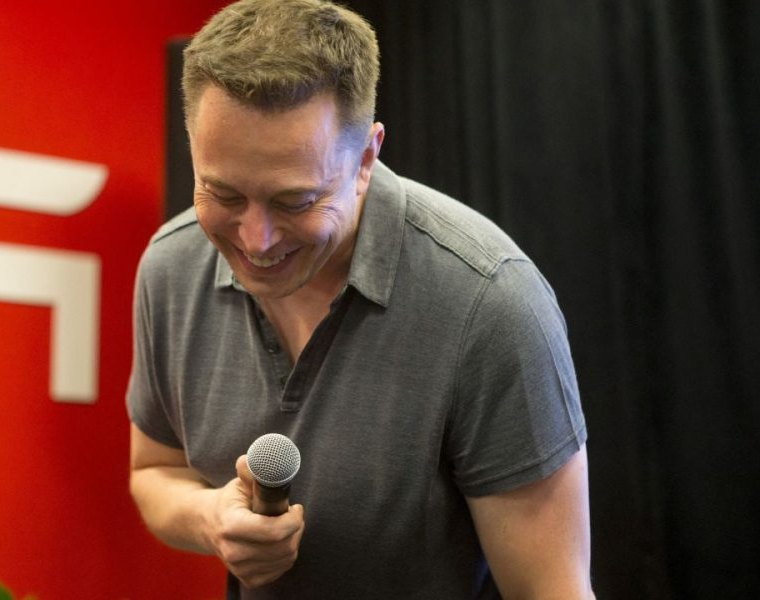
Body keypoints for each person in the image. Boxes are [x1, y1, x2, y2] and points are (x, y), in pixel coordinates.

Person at [126, 0, 594, 597]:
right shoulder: (171, 268)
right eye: (223, 194)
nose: (255, 240)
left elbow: (551, 590)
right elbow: (155, 471)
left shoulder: (490, 304)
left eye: (295, 201)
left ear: (367, 158)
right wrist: (210, 518)